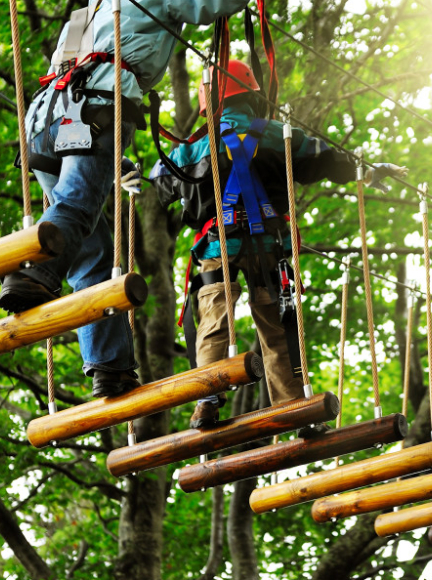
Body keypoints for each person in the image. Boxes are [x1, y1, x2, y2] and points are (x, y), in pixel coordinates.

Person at [0, 0, 254, 399]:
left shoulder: (84, 16)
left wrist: (113, 167)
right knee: (76, 206)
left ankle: (109, 366)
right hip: (95, 109)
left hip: (44, 124)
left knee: (93, 252)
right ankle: (33, 273)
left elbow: (74, 97)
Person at [151, 60, 407, 433]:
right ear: (254, 97)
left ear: (209, 105)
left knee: (213, 319)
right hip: (270, 246)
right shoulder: (279, 135)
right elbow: (328, 160)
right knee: (278, 329)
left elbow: (161, 182)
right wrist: (367, 171)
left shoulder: (191, 151)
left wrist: (130, 176)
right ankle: (293, 407)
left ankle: (206, 400)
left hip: (217, 246)